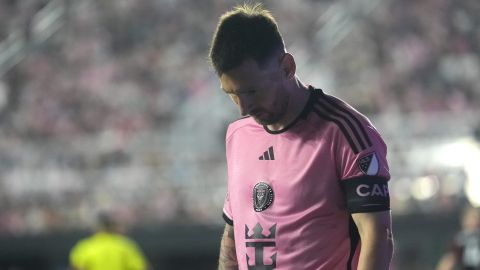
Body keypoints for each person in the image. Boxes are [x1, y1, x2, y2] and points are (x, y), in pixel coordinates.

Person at [208, 3, 393, 270]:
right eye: (232, 94)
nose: (243, 107)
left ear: (287, 67)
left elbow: (378, 236)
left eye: (252, 92)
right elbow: (233, 232)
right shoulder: (238, 135)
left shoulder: (346, 132)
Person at [69, 211, 149, 270]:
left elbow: (77, 268)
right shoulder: (125, 245)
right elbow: (140, 267)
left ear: (97, 228)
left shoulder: (84, 246)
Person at [436, 206, 480, 270]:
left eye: (475, 218)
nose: (473, 221)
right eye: (470, 218)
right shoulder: (459, 238)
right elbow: (450, 258)